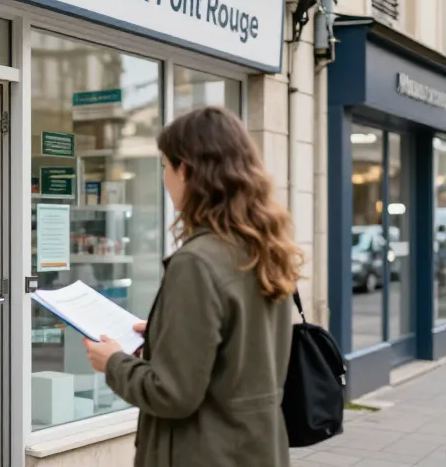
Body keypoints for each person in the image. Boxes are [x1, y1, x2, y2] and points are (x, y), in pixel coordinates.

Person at [82, 106, 301, 467]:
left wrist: (113, 363)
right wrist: (163, 337)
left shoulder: (197, 262)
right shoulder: (265, 248)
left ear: (185, 170)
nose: (164, 179)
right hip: (255, 449)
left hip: (202, 452)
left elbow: (172, 394)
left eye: (164, 166)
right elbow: (238, 351)